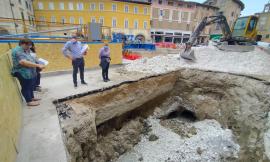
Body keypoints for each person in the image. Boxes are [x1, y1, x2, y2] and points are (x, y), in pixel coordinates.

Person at [11, 39, 45, 106]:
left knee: (31, 85)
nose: (29, 47)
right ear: (23, 44)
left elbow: (31, 58)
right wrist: (38, 65)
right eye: (28, 45)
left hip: (30, 72)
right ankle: (29, 101)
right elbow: (23, 62)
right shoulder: (17, 51)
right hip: (22, 72)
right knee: (26, 86)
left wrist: (38, 63)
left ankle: (32, 98)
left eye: (30, 45)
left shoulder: (26, 50)